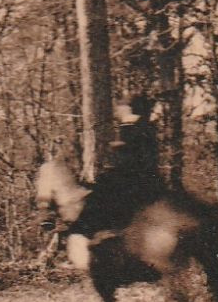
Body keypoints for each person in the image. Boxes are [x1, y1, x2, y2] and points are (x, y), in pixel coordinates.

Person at [69, 93, 166, 239]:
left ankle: (90, 230)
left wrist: (120, 150)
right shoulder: (142, 125)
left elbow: (134, 158)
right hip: (144, 175)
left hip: (137, 177)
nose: (118, 111)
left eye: (121, 107)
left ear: (129, 109)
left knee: (99, 192)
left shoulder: (133, 126)